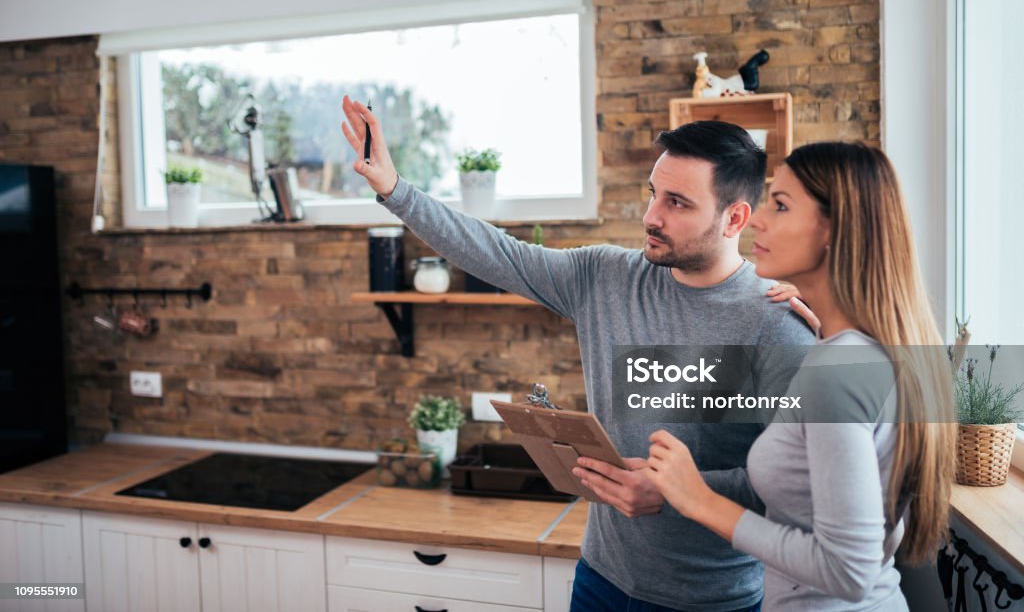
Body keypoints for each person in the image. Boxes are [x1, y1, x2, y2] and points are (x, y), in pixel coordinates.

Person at [341, 96, 816, 612]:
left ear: (735, 218)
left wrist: (678, 490)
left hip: (710, 600)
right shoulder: (605, 277)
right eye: (653, 194)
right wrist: (394, 189)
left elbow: (799, 483)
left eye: (677, 203)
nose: (650, 216)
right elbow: (497, 253)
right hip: (600, 580)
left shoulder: (777, 324)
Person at [645, 142, 957, 611]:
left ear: (835, 229)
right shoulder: (859, 350)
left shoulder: (840, 371)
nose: (757, 219)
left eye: (781, 205)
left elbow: (848, 571)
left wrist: (698, 499)